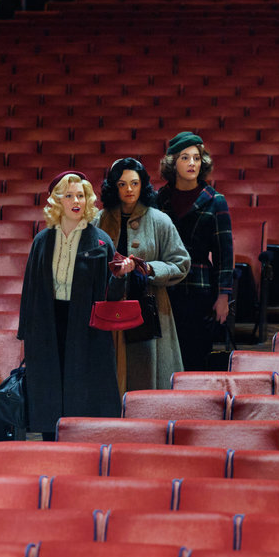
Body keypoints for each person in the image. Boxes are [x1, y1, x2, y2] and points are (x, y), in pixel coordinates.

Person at [18, 170, 135, 440]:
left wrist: (120, 276)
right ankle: (51, 443)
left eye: (80, 195)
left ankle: (83, 444)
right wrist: (26, 332)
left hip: (86, 324)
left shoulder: (101, 240)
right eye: (68, 195)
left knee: (84, 387)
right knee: (50, 386)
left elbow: (111, 296)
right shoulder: (42, 241)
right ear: (57, 200)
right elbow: (30, 289)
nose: (75, 201)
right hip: (48, 322)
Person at [93, 157, 190, 392]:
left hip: (150, 306)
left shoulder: (160, 220)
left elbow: (181, 263)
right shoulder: (99, 219)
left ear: (143, 185)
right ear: (113, 187)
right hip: (111, 307)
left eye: (134, 183)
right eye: (122, 184)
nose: (129, 190)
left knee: (147, 379)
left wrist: (149, 269)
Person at [157, 131, 234, 371]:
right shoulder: (159, 199)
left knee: (196, 356)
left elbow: (224, 254)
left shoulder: (215, 200)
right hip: (165, 285)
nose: (192, 163)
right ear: (173, 163)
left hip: (199, 286)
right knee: (166, 356)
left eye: (197, 158)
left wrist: (224, 296)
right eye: (185, 158)